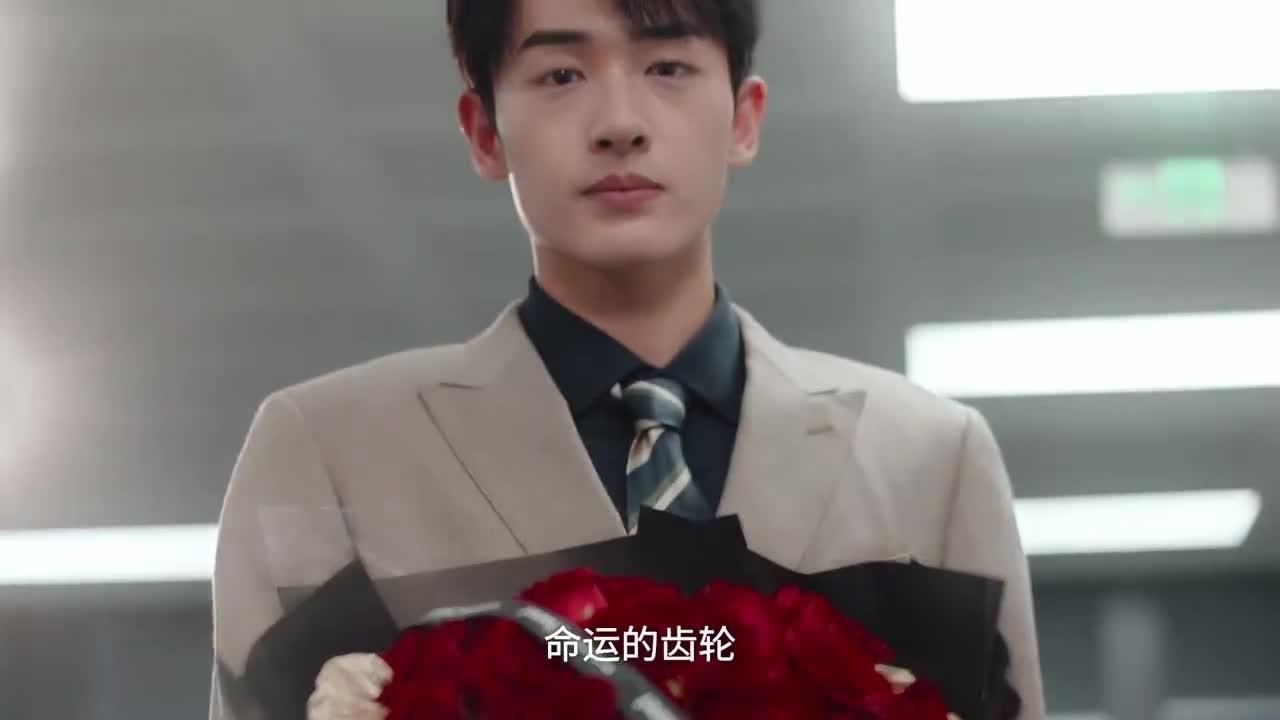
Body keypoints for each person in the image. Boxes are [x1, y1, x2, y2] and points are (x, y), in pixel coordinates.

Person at [210, 0, 1046, 717]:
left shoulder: (927, 455)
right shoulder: (328, 450)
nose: (620, 123)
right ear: (485, 132)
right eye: (561, 75)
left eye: (668, 67)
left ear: (744, 118)